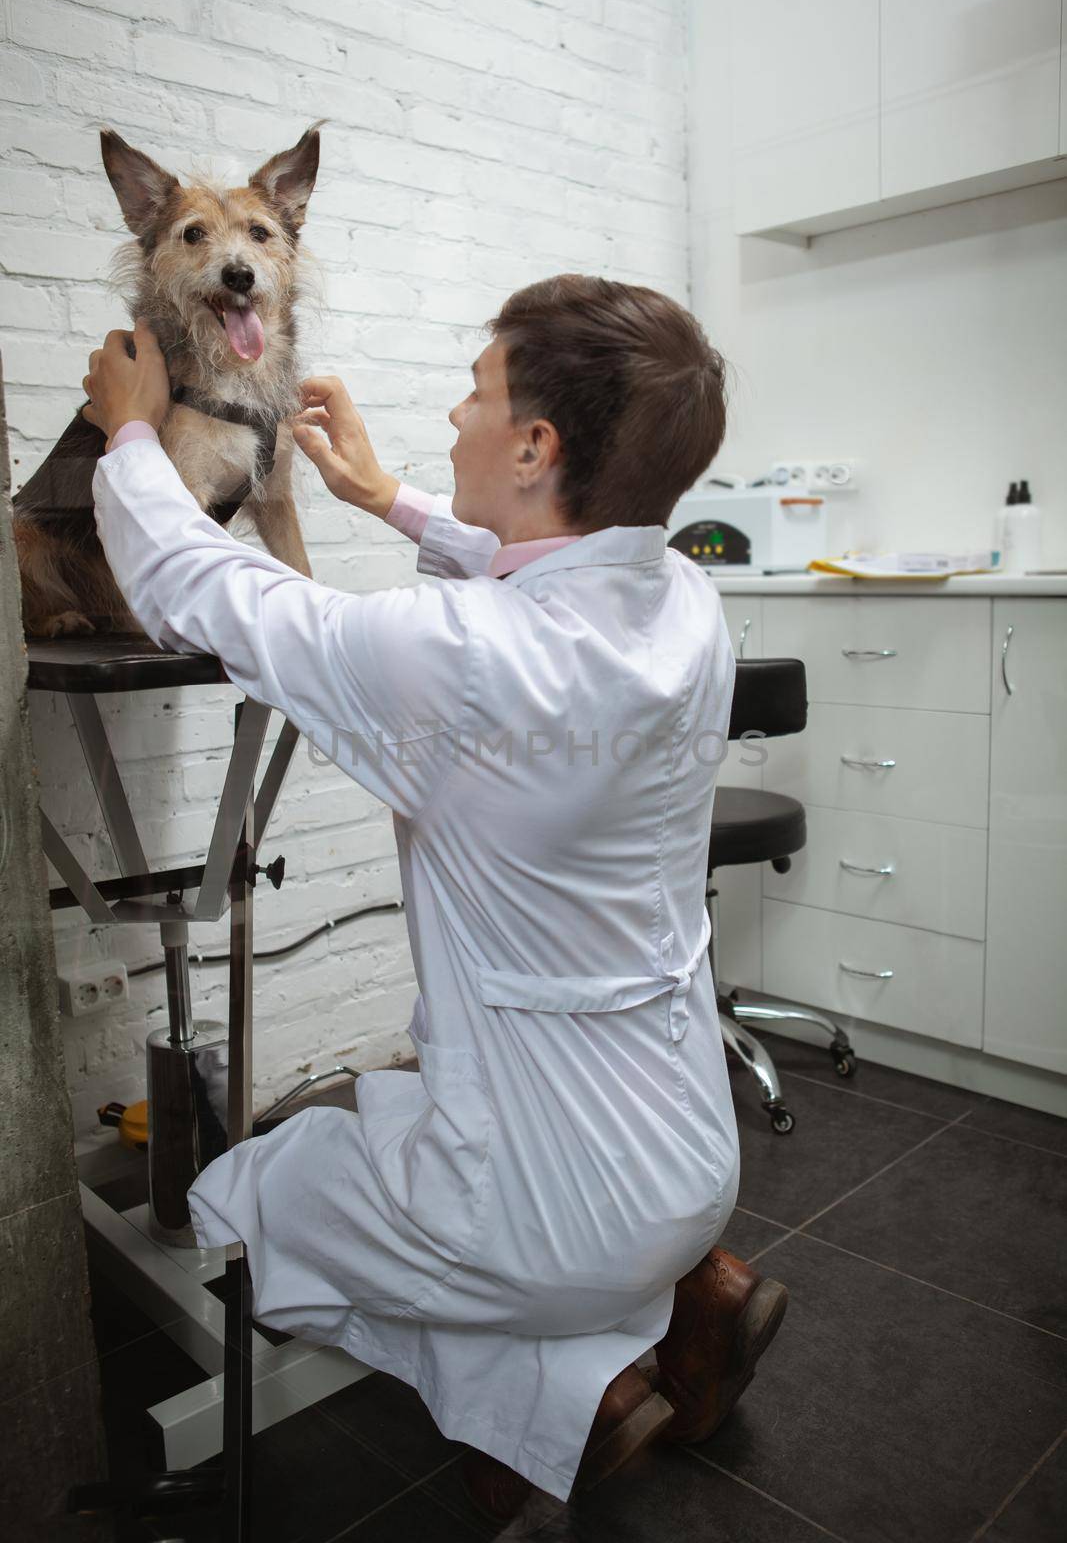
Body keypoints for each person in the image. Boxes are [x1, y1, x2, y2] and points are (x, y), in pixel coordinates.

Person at [82, 275, 788, 1525]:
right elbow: (550, 579)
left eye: (475, 394)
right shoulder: (684, 602)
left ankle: (568, 1385)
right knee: (431, 1158)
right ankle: (680, 1305)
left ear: (533, 445)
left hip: (555, 1213)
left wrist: (132, 432)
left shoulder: (459, 656)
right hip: (694, 1154)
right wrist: (380, 494)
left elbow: (212, 592)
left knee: (255, 1202)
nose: (454, 416)